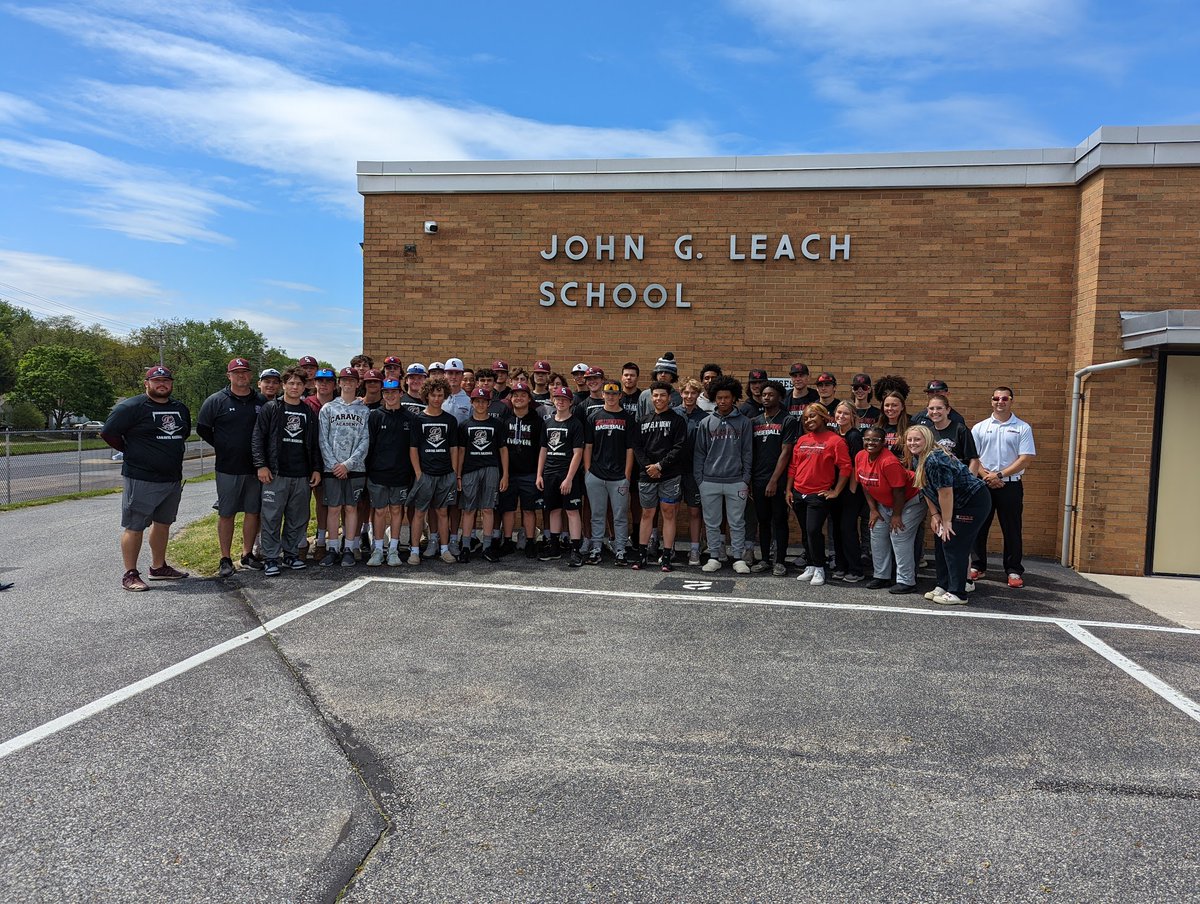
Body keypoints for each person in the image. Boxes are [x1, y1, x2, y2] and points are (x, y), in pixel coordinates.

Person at [101, 365, 191, 591]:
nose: (162, 384)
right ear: (146, 383)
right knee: (135, 525)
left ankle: (158, 567)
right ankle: (130, 574)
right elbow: (108, 433)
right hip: (141, 477)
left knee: (163, 523)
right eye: (157, 380)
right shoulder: (131, 407)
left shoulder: (179, 408)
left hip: (171, 478)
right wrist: (132, 451)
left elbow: (183, 433)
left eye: (166, 380)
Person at [906, 425, 992, 605]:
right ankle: (944, 585)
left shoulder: (935, 459)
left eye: (917, 439)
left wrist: (947, 521)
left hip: (971, 503)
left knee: (954, 543)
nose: (912, 443)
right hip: (952, 504)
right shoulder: (918, 458)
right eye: (910, 439)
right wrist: (935, 515)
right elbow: (925, 487)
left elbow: (946, 492)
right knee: (941, 541)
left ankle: (958, 592)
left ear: (928, 440)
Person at [197, 357, 265, 578]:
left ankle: (247, 554)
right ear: (229, 376)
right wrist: (223, 445)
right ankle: (225, 558)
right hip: (228, 467)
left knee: (253, 512)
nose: (241, 376)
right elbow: (203, 428)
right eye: (236, 373)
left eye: (245, 372)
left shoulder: (261, 401)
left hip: (255, 467)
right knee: (227, 513)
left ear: (251, 375)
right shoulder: (216, 400)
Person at [252, 367, 321, 576]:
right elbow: (258, 437)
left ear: (304, 386)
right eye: (290, 383)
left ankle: (291, 554)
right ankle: (271, 557)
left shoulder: (308, 412)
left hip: (301, 474)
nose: (294, 387)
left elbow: (314, 444)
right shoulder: (271, 408)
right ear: (283, 385)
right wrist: (261, 465)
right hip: (275, 473)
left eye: (298, 384)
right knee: (271, 517)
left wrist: (316, 468)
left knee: (297, 517)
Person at [971, 386, 1036, 588]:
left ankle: (1014, 570)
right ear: (991, 401)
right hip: (983, 484)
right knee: (979, 526)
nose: (1000, 401)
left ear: (1011, 401)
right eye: (996, 398)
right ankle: (977, 565)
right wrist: (987, 476)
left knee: (1012, 529)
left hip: (1011, 485)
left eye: (1005, 398)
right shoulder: (979, 427)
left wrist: (999, 475)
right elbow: (973, 457)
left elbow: (1025, 458)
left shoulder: (1023, 428)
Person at [694, 376, 753, 574]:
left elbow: (747, 452)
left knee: (737, 522)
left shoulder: (744, 422)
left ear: (734, 397)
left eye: (726, 397)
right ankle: (714, 557)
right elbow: (699, 453)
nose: (722, 401)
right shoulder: (706, 422)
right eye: (719, 398)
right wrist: (700, 480)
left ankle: (738, 558)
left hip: (736, 481)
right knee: (712, 522)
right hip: (709, 480)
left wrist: (745, 479)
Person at [787, 403, 851, 587]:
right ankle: (810, 565)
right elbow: (793, 466)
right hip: (799, 492)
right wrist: (789, 490)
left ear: (824, 417)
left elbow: (846, 467)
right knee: (805, 532)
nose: (809, 420)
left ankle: (819, 567)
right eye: (806, 418)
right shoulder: (802, 440)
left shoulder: (835, 440)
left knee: (813, 530)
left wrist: (836, 491)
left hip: (819, 494)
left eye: (813, 416)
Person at [856, 426, 924, 594]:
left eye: (875, 440)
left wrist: (896, 515)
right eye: (867, 439)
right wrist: (873, 509)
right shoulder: (860, 456)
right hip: (884, 502)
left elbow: (899, 491)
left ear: (883, 443)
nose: (870, 443)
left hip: (911, 500)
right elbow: (865, 484)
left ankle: (906, 581)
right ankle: (881, 576)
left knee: (898, 534)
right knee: (876, 532)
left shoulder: (889, 461)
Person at [630, 380, 687, 570]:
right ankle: (642, 555)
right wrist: (649, 466)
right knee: (647, 513)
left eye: (662, 395)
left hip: (670, 474)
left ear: (669, 398)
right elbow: (637, 447)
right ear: (651, 397)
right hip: (647, 475)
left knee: (668, 513)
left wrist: (660, 466)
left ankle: (667, 555)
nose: (658, 398)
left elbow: (679, 447)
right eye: (655, 395)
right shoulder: (643, 420)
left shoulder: (678, 420)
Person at [318, 367, 370, 566]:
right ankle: (332, 548)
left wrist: (348, 465)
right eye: (344, 380)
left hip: (355, 468)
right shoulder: (328, 408)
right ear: (339, 383)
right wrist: (334, 465)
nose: (348, 383)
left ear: (358, 383)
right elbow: (322, 439)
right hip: (332, 468)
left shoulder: (364, 410)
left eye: (352, 380)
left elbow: (365, 440)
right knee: (333, 508)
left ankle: (348, 547)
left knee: (351, 507)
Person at [408, 377, 462, 565]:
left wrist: (454, 472)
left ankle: (444, 549)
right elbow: (413, 448)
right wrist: (418, 473)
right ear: (426, 396)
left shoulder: (450, 420)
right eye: (433, 395)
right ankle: (415, 551)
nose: (437, 399)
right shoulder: (418, 419)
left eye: (440, 395)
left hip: (445, 474)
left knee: (442, 512)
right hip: (425, 473)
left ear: (445, 396)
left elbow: (454, 448)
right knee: (419, 513)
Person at [583, 381, 634, 565]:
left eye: (614, 394)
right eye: (608, 393)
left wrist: (627, 475)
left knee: (620, 516)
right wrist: (588, 471)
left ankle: (620, 549)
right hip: (596, 474)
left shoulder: (628, 418)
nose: (611, 397)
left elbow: (630, 449)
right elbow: (588, 446)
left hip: (619, 476)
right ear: (603, 395)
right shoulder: (594, 417)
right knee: (597, 514)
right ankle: (596, 548)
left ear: (620, 395)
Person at [364, 378, 413, 567]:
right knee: (379, 511)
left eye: (394, 392)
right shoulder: (375, 416)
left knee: (396, 510)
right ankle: (378, 550)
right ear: (382, 394)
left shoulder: (409, 418)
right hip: (378, 473)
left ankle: (393, 549)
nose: (390, 396)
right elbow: (369, 445)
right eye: (386, 392)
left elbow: (413, 448)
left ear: (401, 393)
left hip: (401, 474)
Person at [750, 381, 797, 576]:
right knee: (763, 520)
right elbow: (751, 452)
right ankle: (764, 560)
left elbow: (786, 452)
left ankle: (780, 561)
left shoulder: (788, 420)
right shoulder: (755, 421)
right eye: (764, 395)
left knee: (779, 520)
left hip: (778, 480)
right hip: (758, 479)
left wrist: (774, 480)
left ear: (780, 397)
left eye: (770, 394)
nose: (766, 398)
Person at [458, 388, 509, 562]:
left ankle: (487, 547)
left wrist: (505, 474)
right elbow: (461, 451)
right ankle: (465, 546)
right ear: (471, 403)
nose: (480, 404)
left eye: (483, 401)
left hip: (491, 468)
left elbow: (503, 450)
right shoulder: (465, 425)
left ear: (489, 403)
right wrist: (458, 474)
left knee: (488, 508)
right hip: (470, 469)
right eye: (477, 401)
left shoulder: (497, 424)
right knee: (469, 509)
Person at [537, 386, 586, 566]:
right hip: (550, 473)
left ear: (570, 402)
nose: (560, 402)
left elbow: (578, 453)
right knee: (554, 510)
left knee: (572, 511)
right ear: (553, 400)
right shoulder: (548, 423)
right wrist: (539, 474)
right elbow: (543, 450)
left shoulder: (575, 424)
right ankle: (554, 547)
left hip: (567, 474)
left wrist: (569, 478)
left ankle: (576, 550)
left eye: (564, 399)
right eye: (558, 399)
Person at [499, 381, 544, 558]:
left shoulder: (537, 421)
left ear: (529, 398)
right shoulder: (504, 421)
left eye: (523, 395)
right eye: (515, 395)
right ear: (510, 399)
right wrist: (504, 474)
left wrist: (539, 473)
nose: (519, 398)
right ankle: (507, 541)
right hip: (509, 473)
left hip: (529, 472)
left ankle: (530, 541)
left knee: (529, 509)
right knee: (508, 509)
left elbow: (542, 449)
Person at [674, 378, 709, 566]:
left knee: (695, 512)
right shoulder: (672, 414)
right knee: (671, 511)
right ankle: (669, 548)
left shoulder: (703, 418)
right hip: (673, 471)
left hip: (694, 472)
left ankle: (695, 549)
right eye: (686, 392)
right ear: (680, 393)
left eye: (693, 393)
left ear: (698, 395)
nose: (689, 396)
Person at [829, 401, 864, 582]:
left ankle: (856, 569)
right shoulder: (835, 434)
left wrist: (851, 490)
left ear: (853, 417)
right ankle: (841, 566)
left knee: (848, 529)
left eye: (846, 413)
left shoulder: (854, 436)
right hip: (835, 488)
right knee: (836, 529)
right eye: (839, 413)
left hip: (850, 490)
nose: (841, 416)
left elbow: (856, 465)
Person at [304, 368, 336, 560]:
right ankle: (300, 542)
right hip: (307, 460)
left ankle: (322, 541)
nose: (324, 384)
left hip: (330, 460)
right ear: (314, 383)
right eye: (320, 380)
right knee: (302, 503)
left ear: (334, 384)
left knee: (325, 502)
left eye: (328, 381)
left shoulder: (339, 404)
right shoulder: (306, 404)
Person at [636, 352, 682, 422]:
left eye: (667, 372)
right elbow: (638, 419)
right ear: (656, 374)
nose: (663, 375)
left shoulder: (678, 397)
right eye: (660, 372)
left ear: (672, 376)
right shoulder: (645, 395)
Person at [878, 390, 910, 456]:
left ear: (902, 407)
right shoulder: (878, 427)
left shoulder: (911, 428)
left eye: (894, 405)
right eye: (887, 405)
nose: (890, 408)